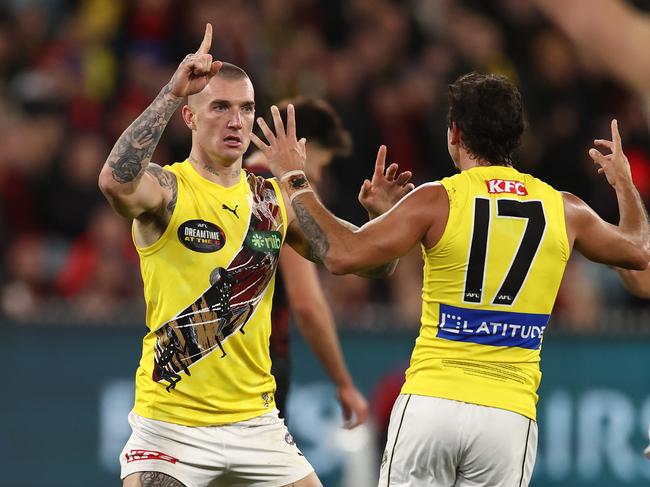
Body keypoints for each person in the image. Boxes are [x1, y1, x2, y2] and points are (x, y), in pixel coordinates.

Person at [251, 72, 650, 486]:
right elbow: (638, 250)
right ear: (516, 136)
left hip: (432, 403)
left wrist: (294, 179)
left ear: (455, 132)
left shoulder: (437, 199)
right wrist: (623, 181)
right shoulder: (563, 209)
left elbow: (341, 254)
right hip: (508, 416)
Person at [98, 24, 412, 487]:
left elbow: (366, 262)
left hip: (256, 424)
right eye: (220, 107)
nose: (236, 121)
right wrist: (170, 92)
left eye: (246, 109)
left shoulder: (272, 200)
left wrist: (383, 223)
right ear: (189, 117)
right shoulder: (169, 189)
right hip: (171, 426)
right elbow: (114, 182)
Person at [246, 98, 376, 427]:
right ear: (304, 148)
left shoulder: (231, 185)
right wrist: (344, 382)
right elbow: (307, 304)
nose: (317, 175)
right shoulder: (281, 195)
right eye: (321, 162)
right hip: (263, 362)